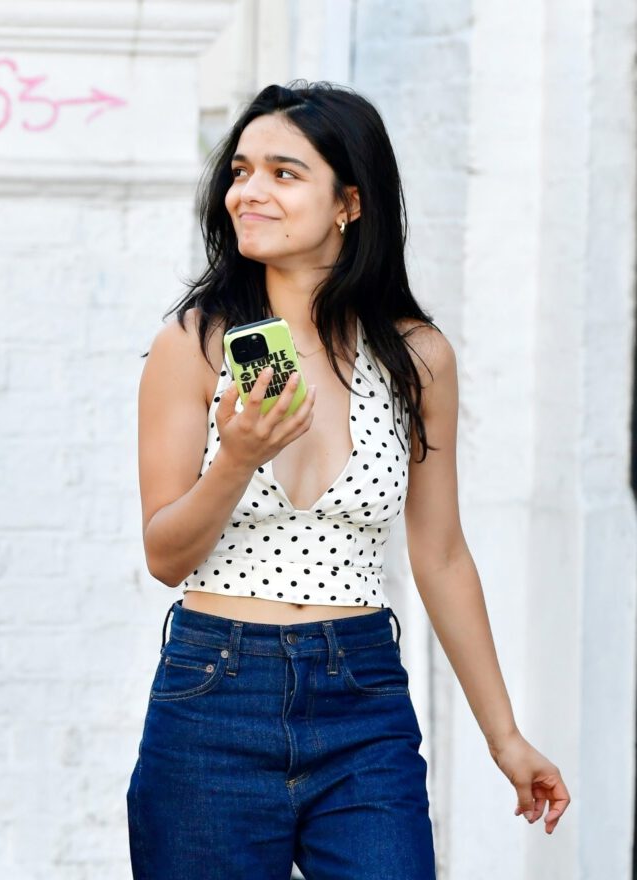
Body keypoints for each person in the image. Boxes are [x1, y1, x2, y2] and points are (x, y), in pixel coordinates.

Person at [126, 80, 570, 880]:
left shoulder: (417, 356)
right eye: (240, 170)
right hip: (214, 694)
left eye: (284, 173)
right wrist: (235, 460)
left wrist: (506, 737)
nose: (248, 191)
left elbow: (441, 556)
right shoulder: (195, 341)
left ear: (350, 203)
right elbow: (165, 554)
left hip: (360, 691)